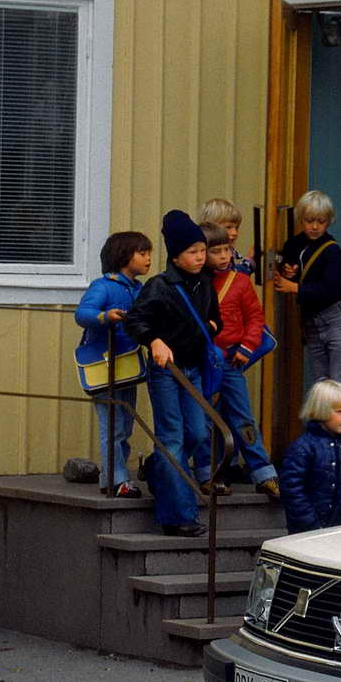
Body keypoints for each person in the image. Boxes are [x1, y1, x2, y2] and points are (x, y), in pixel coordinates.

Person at [122, 210, 223, 537]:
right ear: (176, 256)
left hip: (194, 369)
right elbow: (135, 320)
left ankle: (156, 468)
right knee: (172, 437)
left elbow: (216, 319)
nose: (200, 257)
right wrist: (154, 340)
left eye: (202, 250)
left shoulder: (205, 284)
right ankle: (178, 517)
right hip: (166, 371)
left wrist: (211, 326)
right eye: (193, 252)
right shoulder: (160, 286)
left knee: (197, 433)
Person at [203, 223, 280, 499]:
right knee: (205, 419)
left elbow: (256, 318)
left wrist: (247, 347)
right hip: (205, 360)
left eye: (227, 250)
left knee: (242, 416)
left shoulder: (240, 282)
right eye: (216, 251)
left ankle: (264, 473)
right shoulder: (196, 283)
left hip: (232, 360)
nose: (224, 256)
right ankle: (210, 474)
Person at [74, 230, 152, 496]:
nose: (148, 258)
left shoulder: (139, 288)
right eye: (142, 253)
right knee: (113, 425)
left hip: (128, 366)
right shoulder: (103, 286)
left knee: (125, 424)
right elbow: (82, 314)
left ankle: (113, 477)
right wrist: (105, 316)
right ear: (123, 256)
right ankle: (116, 480)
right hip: (104, 365)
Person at [272, 189, 341, 406]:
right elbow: (288, 261)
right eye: (310, 221)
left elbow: (333, 289)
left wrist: (294, 287)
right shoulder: (295, 244)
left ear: (329, 221)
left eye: (321, 221)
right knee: (321, 386)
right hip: (311, 322)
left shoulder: (332, 250)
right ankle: (325, 428)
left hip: (335, 319)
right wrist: (288, 270)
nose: (315, 227)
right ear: (301, 219)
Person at [278, 381, 341, 533]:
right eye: (340, 412)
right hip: (306, 533)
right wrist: (311, 525)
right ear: (320, 411)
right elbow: (293, 490)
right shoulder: (302, 447)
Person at [199, 198, 256, 278]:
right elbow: (226, 277)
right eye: (228, 227)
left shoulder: (228, 250)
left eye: (236, 228)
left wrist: (249, 261)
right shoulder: (203, 254)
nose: (235, 233)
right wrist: (248, 264)